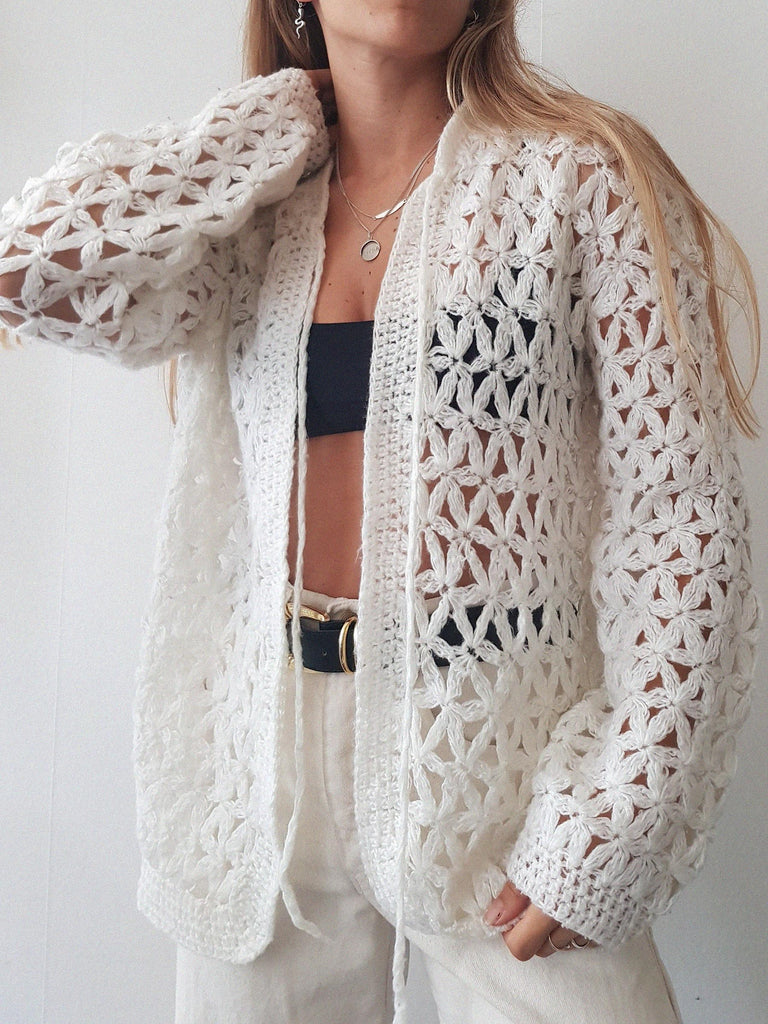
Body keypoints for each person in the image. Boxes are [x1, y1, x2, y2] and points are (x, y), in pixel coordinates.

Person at [0, 1, 761, 1022]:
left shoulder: (582, 180)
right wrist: (263, 128)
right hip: (265, 777)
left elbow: (680, 521)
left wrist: (619, 814)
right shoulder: (250, 214)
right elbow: (27, 266)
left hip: (498, 755)